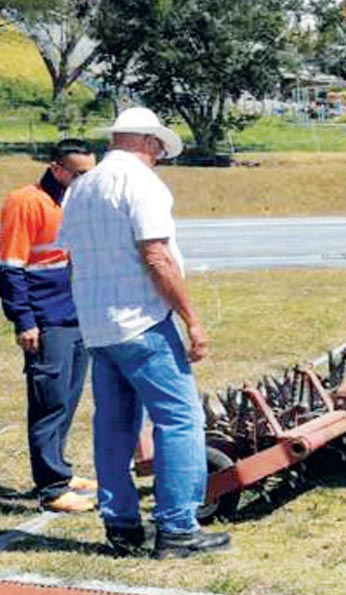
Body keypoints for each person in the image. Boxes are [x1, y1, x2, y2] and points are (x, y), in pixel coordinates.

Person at [60, 108, 228, 560]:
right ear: (149, 143)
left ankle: (121, 525)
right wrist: (191, 319)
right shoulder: (142, 183)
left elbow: (73, 260)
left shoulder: (80, 187)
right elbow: (156, 256)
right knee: (179, 418)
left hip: (99, 324)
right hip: (141, 321)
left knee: (114, 426)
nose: (158, 157)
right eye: (158, 149)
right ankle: (177, 527)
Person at [0, 139, 99, 513]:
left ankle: (59, 469)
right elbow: (9, 267)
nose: (86, 181)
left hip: (76, 314)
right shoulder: (26, 201)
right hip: (46, 318)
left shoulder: (74, 202)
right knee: (49, 400)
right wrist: (24, 320)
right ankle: (52, 488)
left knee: (69, 396)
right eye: (80, 174)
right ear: (58, 169)